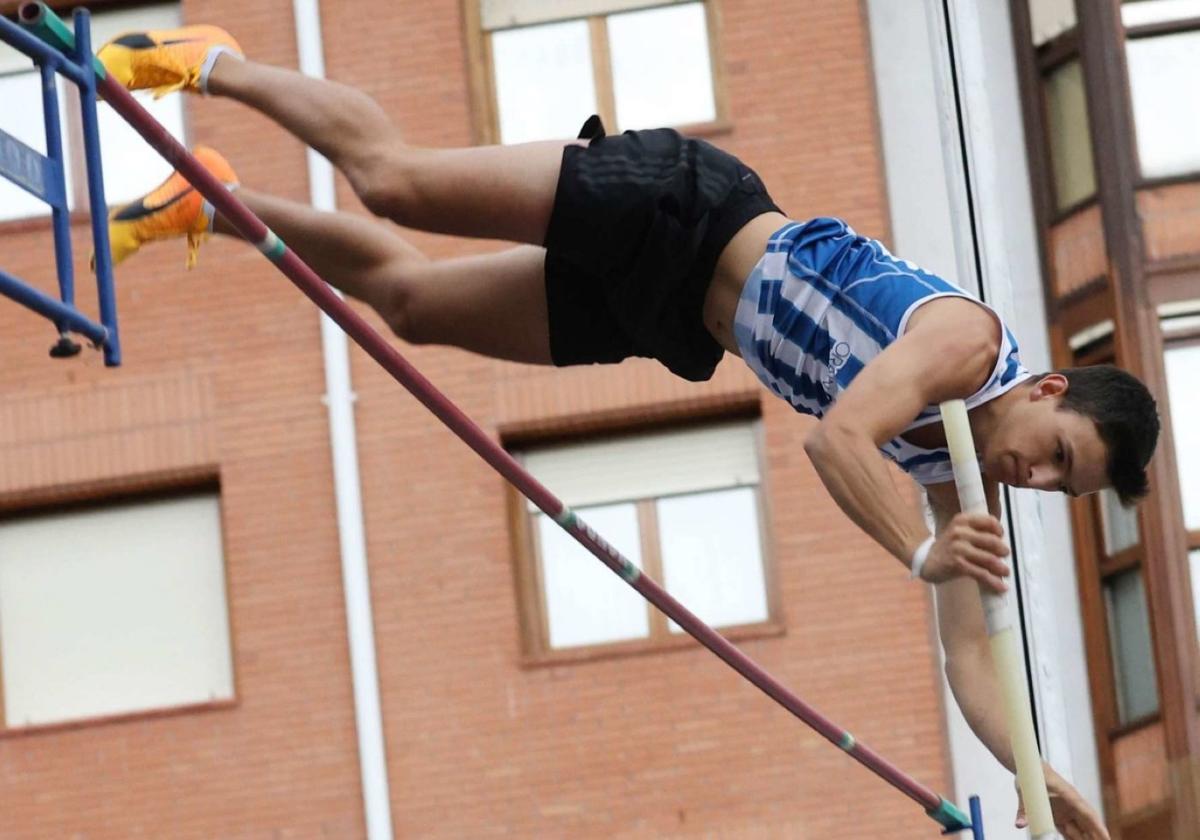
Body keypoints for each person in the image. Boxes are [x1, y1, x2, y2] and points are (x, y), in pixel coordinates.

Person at [97, 25, 1157, 839]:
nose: (1028, 474)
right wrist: (925, 552)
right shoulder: (968, 346)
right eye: (1054, 451)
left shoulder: (953, 469)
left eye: (1052, 488)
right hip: (684, 211)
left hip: (670, 316)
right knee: (399, 184)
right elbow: (836, 439)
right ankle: (207, 63)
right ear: (1047, 385)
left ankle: (213, 202)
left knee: (413, 303)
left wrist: (1034, 772)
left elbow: (967, 652)